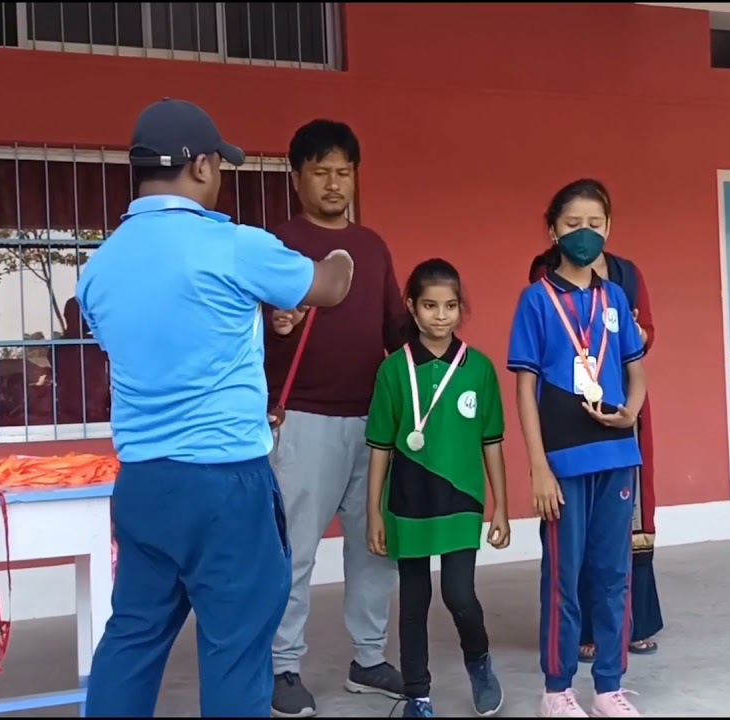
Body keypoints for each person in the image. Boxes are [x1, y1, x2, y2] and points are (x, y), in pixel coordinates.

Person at [76, 98, 355, 718]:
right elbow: (329, 287)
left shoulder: (99, 266)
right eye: (218, 163)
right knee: (235, 649)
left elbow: (152, 337)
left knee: (132, 638)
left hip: (145, 484)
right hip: (226, 487)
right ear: (201, 166)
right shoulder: (231, 245)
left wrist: (247, 313)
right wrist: (339, 253)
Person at [264, 119, 408, 717]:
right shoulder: (276, 244)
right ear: (297, 177)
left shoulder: (372, 246)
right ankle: (283, 667)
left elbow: (395, 330)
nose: (333, 183)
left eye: (343, 171)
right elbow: (249, 327)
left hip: (372, 424)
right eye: (320, 171)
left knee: (376, 546)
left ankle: (368, 658)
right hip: (301, 420)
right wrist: (274, 322)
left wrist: (440, 333)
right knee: (293, 548)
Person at [508, 181, 649, 718]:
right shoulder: (537, 300)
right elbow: (524, 388)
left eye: (595, 224)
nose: (584, 233)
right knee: (563, 581)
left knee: (614, 576)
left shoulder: (616, 298)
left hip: (618, 456)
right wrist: (538, 469)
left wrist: (632, 410)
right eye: (572, 224)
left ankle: (609, 686)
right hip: (563, 463)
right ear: (553, 230)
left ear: (608, 229)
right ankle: (556, 689)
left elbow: (637, 372)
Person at [363, 259, 512, 718]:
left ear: (460, 309)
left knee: (459, 594)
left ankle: (480, 662)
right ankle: (417, 695)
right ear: (412, 307)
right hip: (407, 500)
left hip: (462, 500)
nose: (440, 316)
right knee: (413, 601)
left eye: (450, 306)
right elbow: (381, 449)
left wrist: (501, 507)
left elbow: (492, 444)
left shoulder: (479, 369)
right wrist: (374, 513)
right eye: (429, 305)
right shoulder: (392, 371)